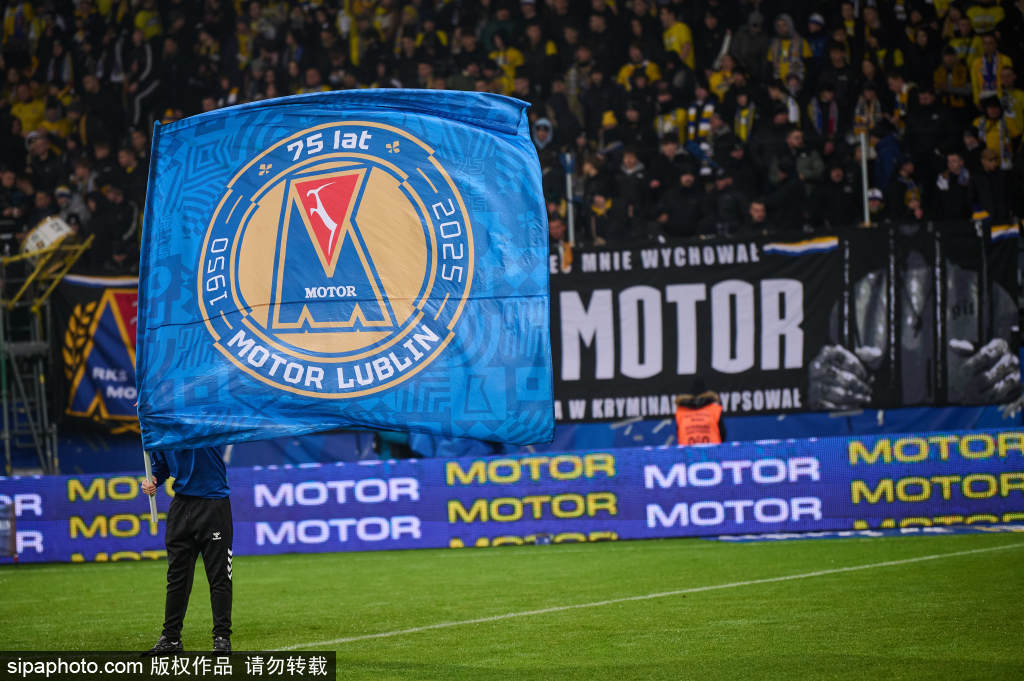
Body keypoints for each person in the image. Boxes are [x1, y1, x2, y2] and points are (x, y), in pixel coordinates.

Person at [140, 446, 232, 654]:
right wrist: (153, 479)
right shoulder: (162, 433)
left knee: (219, 576)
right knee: (177, 577)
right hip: (181, 505)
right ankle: (171, 639)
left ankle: (222, 638)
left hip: (213, 503)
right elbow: (161, 466)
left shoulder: (203, 425)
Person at [675, 380, 726, 445]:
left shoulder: (680, 411)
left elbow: (678, 433)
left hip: (688, 450)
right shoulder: (715, 409)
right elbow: (722, 433)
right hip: (712, 450)